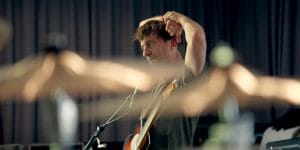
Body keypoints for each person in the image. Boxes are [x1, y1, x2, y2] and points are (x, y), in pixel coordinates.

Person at [125, 11, 206, 150]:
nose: (145, 53)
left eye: (149, 44)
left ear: (173, 43)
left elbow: (196, 37)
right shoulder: (154, 87)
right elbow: (142, 25)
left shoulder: (185, 79)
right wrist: (165, 20)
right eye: (143, 47)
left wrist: (179, 20)